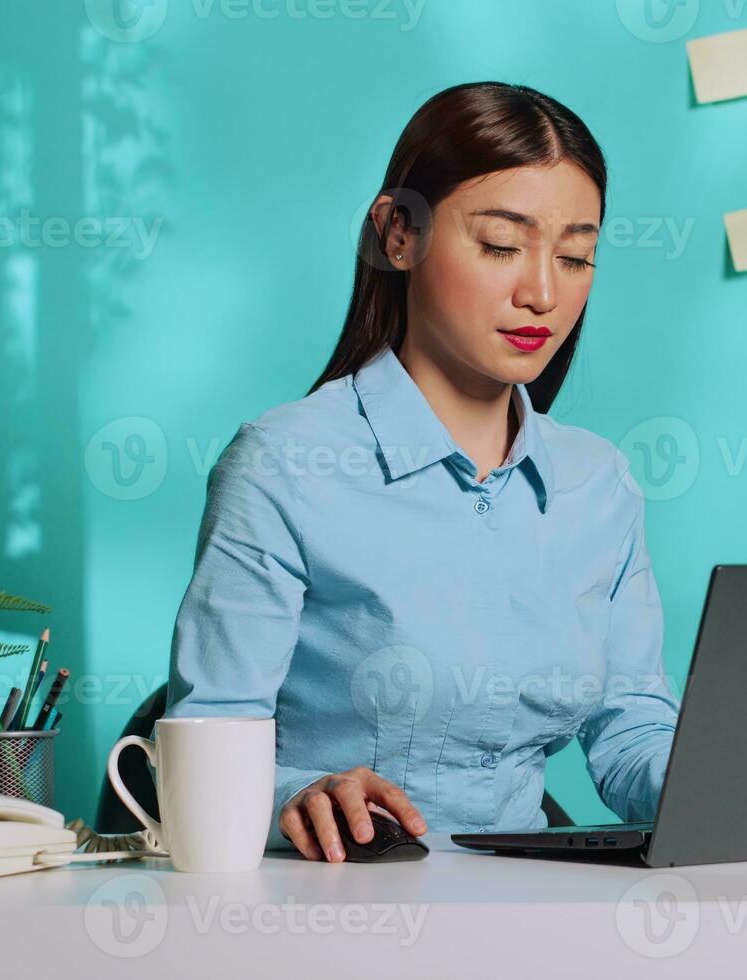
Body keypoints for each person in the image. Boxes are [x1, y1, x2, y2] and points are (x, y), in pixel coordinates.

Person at [165, 81, 682, 862]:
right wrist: (298, 795)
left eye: (575, 256)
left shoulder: (598, 484)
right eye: (502, 245)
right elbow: (212, 737)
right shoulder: (286, 466)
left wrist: (745, 777)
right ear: (398, 234)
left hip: (537, 904)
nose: (542, 290)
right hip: (340, 903)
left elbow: (631, 731)